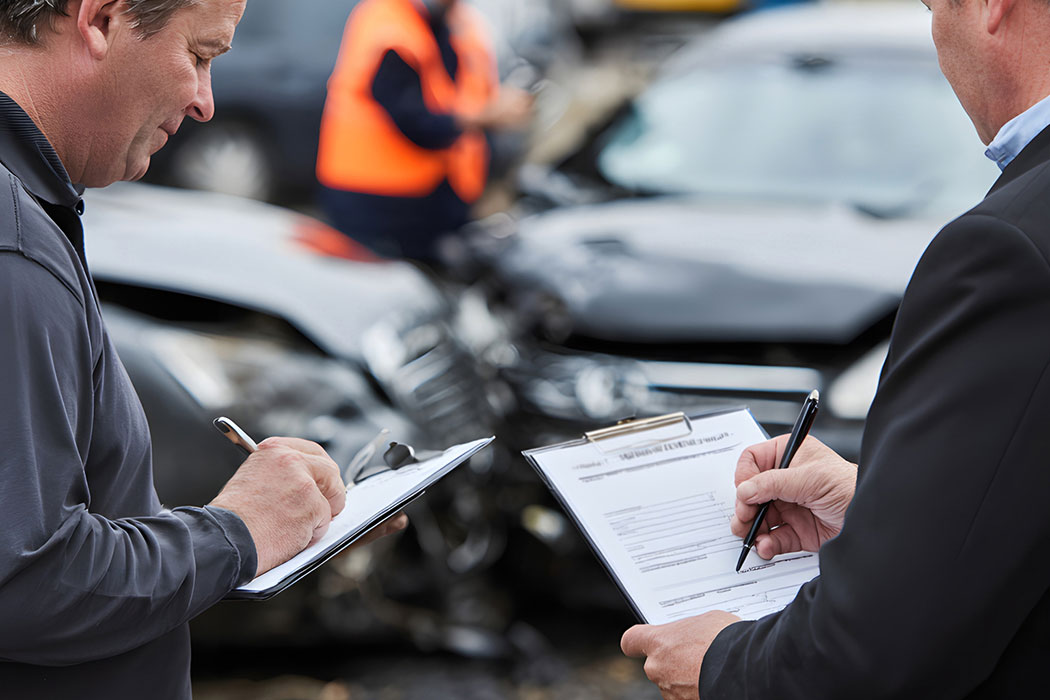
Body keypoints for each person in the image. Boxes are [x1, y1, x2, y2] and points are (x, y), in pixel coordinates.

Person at [620, 0, 1050, 697]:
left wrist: (725, 664)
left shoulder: (1009, 246)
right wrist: (889, 509)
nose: (937, 29)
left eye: (934, 6)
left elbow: (879, 650)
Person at [0, 1, 405, 697]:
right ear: (99, 20)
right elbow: (25, 583)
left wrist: (268, 526)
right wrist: (238, 532)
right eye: (200, 55)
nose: (204, 103)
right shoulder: (14, 245)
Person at [315, 0, 532, 264]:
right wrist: (485, 116)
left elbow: (466, 94)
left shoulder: (461, 24)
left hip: (436, 196)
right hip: (376, 201)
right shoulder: (389, 24)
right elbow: (413, 122)